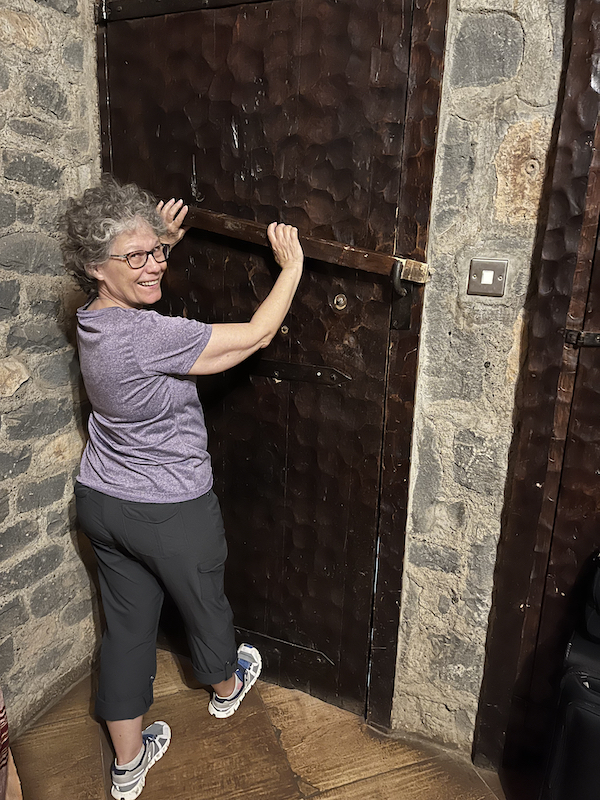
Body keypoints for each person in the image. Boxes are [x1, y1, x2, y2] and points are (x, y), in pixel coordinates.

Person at [59, 175, 304, 800]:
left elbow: (142, 301)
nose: (154, 265)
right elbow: (253, 336)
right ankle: (225, 689)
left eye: (158, 252)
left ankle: (127, 765)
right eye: (136, 257)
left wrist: (150, 244)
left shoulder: (91, 320)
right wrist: (292, 267)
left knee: (125, 630)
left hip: (102, 502)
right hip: (168, 509)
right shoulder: (147, 336)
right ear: (95, 267)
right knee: (204, 601)